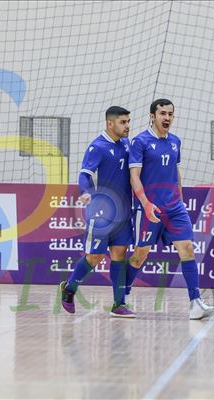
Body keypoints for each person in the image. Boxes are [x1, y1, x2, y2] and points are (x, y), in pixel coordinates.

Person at [127, 98, 214, 320]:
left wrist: (181, 201)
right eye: (163, 114)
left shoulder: (175, 141)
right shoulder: (140, 141)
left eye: (170, 114)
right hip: (150, 209)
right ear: (152, 116)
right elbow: (134, 176)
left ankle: (195, 302)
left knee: (187, 248)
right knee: (140, 255)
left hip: (175, 208)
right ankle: (123, 296)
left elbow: (176, 173)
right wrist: (145, 204)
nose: (167, 118)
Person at [59, 106, 135, 318]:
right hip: (101, 214)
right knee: (94, 257)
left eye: (128, 122)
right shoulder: (97, 147)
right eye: (123, 122)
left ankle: (119, 304)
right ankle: (69, 289)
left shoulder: (127, 145)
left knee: (119, 254)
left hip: (123, 212)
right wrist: (85, 192)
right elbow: (84, 174)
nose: (127, 126)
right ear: (110, 123)